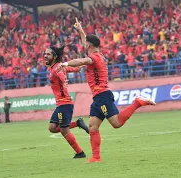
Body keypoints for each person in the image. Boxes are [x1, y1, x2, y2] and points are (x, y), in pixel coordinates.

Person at [57, 18, 156, 163]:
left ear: (90, 45)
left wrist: (65, 64)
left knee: (116, 123)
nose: (84, 45)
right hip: (98, 98)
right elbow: (86, 45)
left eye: (86, 44)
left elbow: (82, 61)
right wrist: (81, 30)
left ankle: (138, 103)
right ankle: (96, 157)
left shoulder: (94, 58)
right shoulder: (98, 54)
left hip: (102, 96)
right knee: (92, 127)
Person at [44, 46, 89, 159]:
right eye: (45, 53)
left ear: (54, 57)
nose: (45, 55)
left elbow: (61, 76)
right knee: (52, 127)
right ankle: (78, 123)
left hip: (65, 103)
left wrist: (63, 80)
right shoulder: (56, 67)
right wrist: (81, 65)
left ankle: (80, 153)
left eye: (48, 54)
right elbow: (75, 69)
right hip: (61, 104)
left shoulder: (56, 69)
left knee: (64, 130)